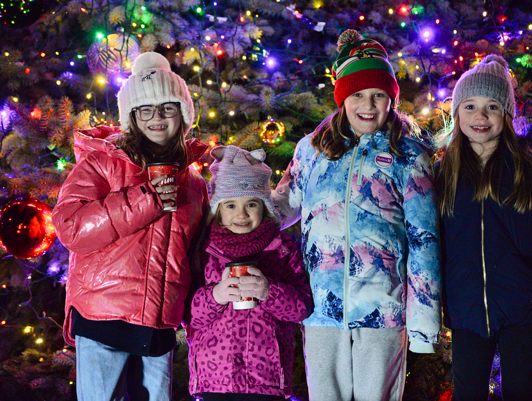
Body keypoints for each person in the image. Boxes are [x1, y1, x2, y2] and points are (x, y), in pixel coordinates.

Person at [272, 29, 441, 401]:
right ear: (342, 98)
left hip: (383, 310)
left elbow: (424, 240)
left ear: (391, 99)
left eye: (378, 94)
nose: (368, 105)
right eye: (358, 94)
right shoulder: (311, 150)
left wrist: (423, 324)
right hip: (321, 308)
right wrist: (238, 198)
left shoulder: (409, 156)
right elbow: (281, 207)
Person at [52, 51, 209, 401]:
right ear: (132, 116)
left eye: (167, 107)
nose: (157, 117)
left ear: (183, 113)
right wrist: (146, 199)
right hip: (103, 315)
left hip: (159, 324)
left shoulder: (194, 181)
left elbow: (196, 252)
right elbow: (70, 226)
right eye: (145, 109)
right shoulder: (102, 161)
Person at [434, 54, 532, 401]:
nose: (480, 116)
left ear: (507, 114)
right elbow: (431, 240)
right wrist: (441, 296)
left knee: (520, 392)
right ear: (457, 114)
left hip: (522, 309)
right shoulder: (443, 174)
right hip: (466, 310)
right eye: (470, 106)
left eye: (492, 107)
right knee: (467, 393)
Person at [186, 145, 313, 401]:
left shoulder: (281, 250)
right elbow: (188, 315)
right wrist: (216, 295)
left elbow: (302, 307)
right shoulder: (203, 251)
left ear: (264, 207)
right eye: (230, 205)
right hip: (215, 380)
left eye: (251, 204)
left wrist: (269, 291)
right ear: (218, 210)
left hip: (266, 380)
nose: (241, 214)